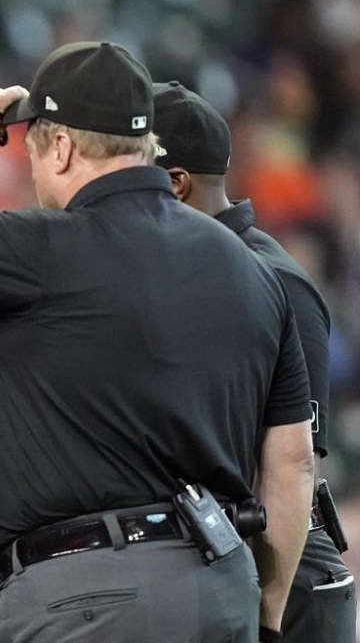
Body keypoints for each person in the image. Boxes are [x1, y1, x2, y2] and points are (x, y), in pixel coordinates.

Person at [0, 40, 315, 642]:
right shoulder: (251, 268)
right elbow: (293, 463)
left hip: (83, 598)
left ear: (60, 148)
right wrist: (267, 619)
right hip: (219, 587)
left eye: (36, 151)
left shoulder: (40, 243)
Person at [152, 80, 356, 643]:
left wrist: (266, 616)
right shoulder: (171, 272)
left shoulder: (272, 279)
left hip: (282, 572)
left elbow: (292, 470)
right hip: (212, 562)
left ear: (176, 183)